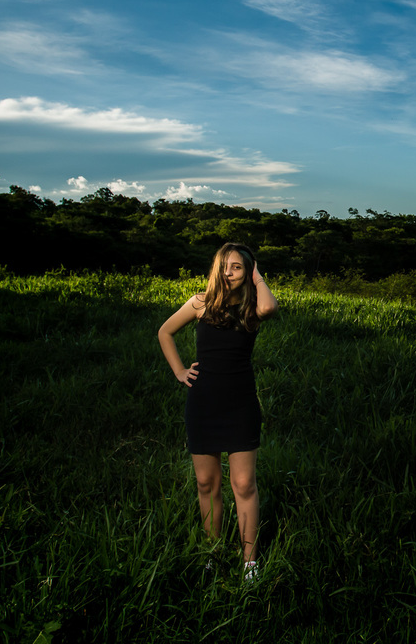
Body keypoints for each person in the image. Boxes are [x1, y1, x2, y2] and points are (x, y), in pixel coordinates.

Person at [158, 243, 278, 580]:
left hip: (240, 404)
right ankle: (213, 552)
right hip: (203, 403)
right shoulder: (201, 302)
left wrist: (257, 277)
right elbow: (165, 332)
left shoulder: (252, 309)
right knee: (206, 481)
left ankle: (249, 562)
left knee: (243, 483)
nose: (229, 273)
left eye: (237, 267)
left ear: (248, 271)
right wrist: (180, 371)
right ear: (216, 268)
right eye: (224, 266)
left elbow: (270, 306)